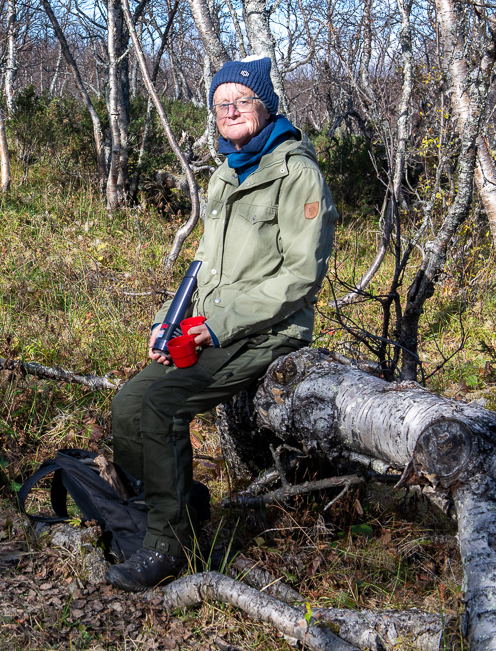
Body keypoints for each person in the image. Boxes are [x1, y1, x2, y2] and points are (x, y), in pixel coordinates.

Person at [106, 56, 338, 592]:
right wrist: (173, 323)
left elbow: (302, 277)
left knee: (162, 407)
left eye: (242, 101)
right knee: (127, 404)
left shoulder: (296, 171)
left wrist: (222, 323)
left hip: (269, 331)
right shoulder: (226, 172)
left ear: (266, 106)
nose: (231, 112)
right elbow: (206, 271)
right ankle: (175, 507)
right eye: (221, 104)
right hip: (208, 326)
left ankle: (168, 546)